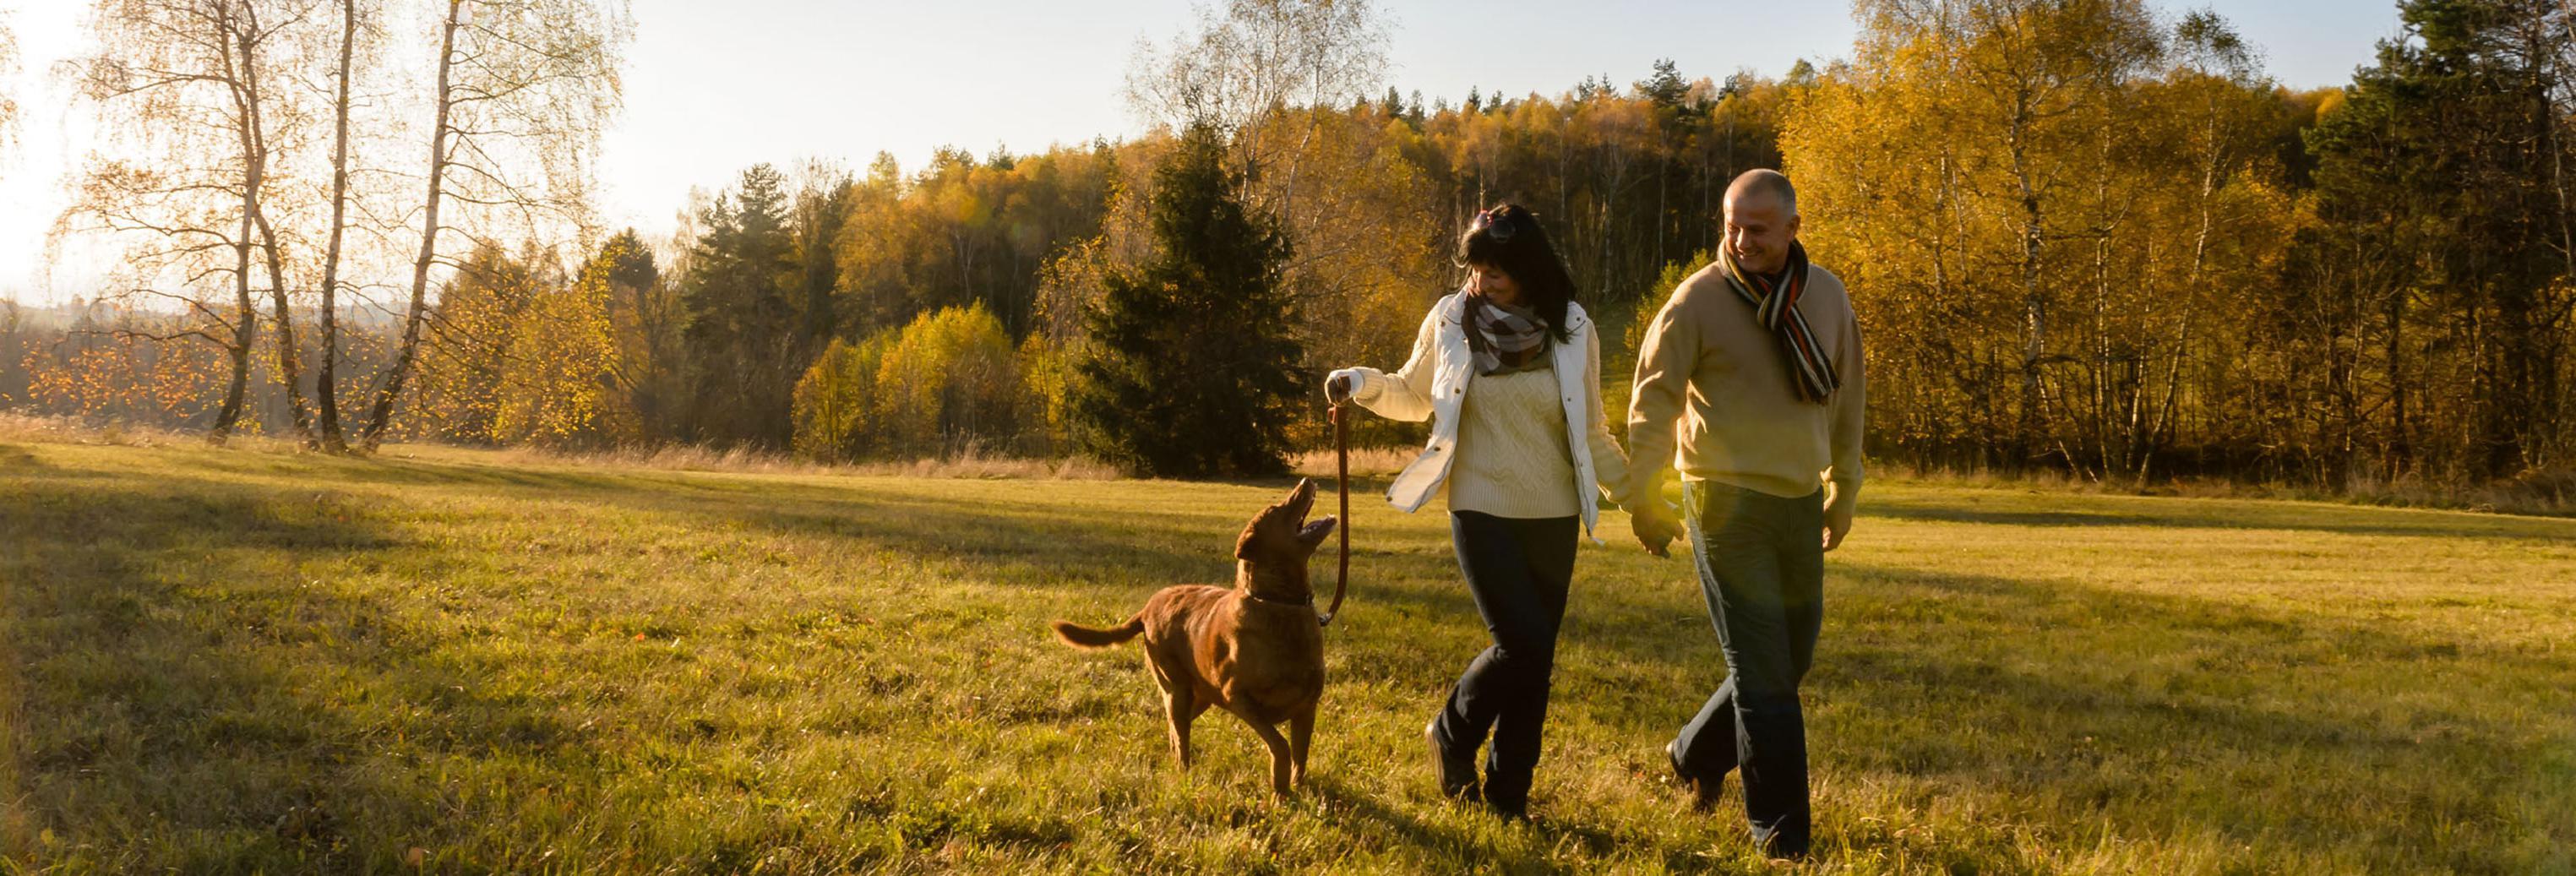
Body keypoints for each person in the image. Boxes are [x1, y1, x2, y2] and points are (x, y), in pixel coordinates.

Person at [1324, 203, 1637, 819]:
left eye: (1496, 270)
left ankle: (1508, 796)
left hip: (1553, 515)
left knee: (1535, 662)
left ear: (1529, 268)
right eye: (1475, 267)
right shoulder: (1449, 318)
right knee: (1519, 644)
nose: (1481, 280)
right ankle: (1450, 732)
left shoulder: (1571, 327)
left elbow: (1594, 431)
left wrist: (1639, 498)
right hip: (1478, 504)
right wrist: (1358, 382)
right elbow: (1413, 395)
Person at [1626, 169, 1866, 859]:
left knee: (1787, 659)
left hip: (1796, 500)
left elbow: (1847, 399)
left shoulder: (1825, 296)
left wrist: (1843, 487)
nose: (1740, 239)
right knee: (1765, 681)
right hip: (1723, 501)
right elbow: (1651, 403)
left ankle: (1693, 752)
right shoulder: (1696, 300)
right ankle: (1781, 837)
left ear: (1793, 228)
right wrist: (1644, 495)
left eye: (1757, 228)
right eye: (1730, 225)